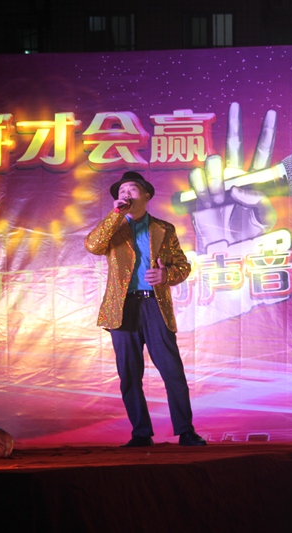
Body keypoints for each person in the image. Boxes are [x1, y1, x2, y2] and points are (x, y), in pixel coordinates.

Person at [85, 171, 207, 447]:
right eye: (122, 191)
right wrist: (115, 215)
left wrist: (167, 275)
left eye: (132, 189)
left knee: (172, 370)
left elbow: (183, 266)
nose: (126, 194)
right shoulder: (113, 227)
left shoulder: (164, 229)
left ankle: (186, 431)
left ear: (146, 195)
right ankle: (141, 433)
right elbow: (93, 245)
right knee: (129, 374)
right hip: (122, 307)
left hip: (155, 305)